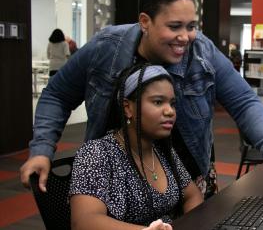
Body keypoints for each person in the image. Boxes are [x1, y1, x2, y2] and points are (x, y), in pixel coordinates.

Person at [21, 0, 263, 200]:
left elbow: (244, 101)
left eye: (191, 25)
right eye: (174, 26)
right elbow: (57, 95)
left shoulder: (202, 51)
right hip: (118, 184)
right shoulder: (105, 48)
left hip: (188, 180)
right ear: (145, 22)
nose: (185, 37)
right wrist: (42, 149)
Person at [70, 64, 203, 229]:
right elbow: (84, 222)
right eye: (158, 102)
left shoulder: (161, 150)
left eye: (172, 103)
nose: (170, 111)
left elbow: (193, 195)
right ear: (128, 108)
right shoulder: (97, 153)